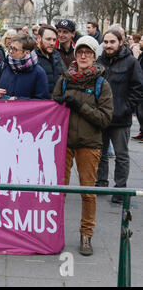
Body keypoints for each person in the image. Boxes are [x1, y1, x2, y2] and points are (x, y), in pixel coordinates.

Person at [52, 35, 113, 256]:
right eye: (80, 52)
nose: (83, 55)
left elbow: (105, 119)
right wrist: (57, 104)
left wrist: (79, 106)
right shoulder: (65, 79)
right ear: (75, 55)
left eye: (88, 52)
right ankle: (53, 232)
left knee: (88, 192)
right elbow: (53, 105)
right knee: (60, 191)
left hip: (89, 144)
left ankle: (86, 234)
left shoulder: (101, 84)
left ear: (94, 56)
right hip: (65, 143)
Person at [95, 29, 143, 203]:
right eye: (106, 42)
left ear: (120, 42)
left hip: (120, 118)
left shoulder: (131, 62)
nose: (108, 45)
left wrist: (125, 108)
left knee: (121, 155)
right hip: (101, 117)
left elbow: (138, 89)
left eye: (112, 42)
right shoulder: (99, 61)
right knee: (100, 154)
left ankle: (120, 188)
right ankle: (100, 184)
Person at [0, 34, 49, 100]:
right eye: (10, 48)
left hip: (23, 110)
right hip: (2, 109)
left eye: (14, 49)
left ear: (27, 52)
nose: (10, 51)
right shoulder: (3, 66)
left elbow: (42, 101)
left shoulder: (38, 72)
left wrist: (18, 100)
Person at [36, 25, 64, 94]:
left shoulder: (56, 55)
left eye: (54, 40)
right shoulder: (32, 58)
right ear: (39, 38)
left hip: (56, 102)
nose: (52, 43)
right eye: (48, 39)